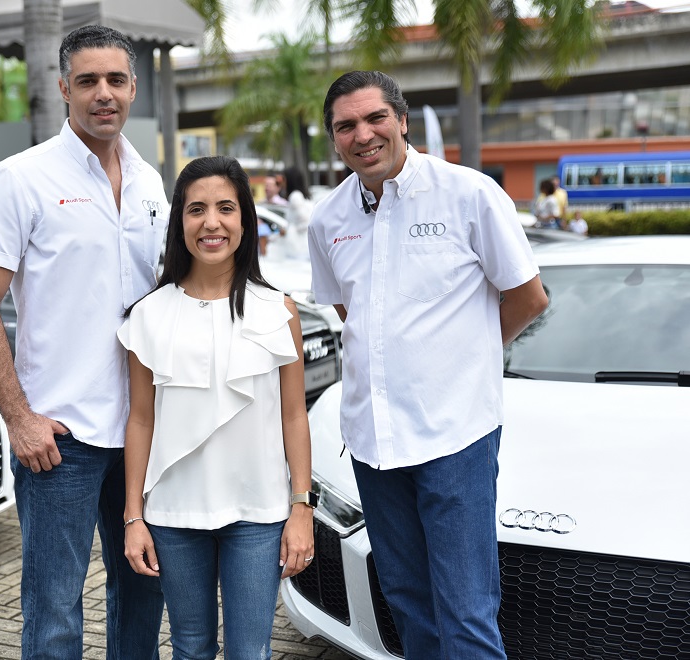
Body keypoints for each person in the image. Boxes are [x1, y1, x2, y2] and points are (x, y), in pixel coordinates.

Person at [307, 71, 548, 660]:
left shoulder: (469, 194)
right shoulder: (327, 221)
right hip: (373, 443)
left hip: (455, 436)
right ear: (334, 139)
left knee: (466, 613)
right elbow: (353, 311)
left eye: (374, 119)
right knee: (409, 600)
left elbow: (528, 297)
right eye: (346, 126)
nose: (362, 135)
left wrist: (465, 357)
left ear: (402, 120)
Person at [0, 25, 167, 660]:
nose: (103, 94)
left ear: (133, 88)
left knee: (142, 596)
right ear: (63, 89)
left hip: (143, 431)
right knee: (53, 613)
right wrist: (20, 419)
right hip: (60, 440)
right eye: (87, 81)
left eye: (115, 80)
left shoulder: (153, 183)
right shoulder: (20, 178)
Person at [119, 155, 314, 659]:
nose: (211, 222)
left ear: (245, 220)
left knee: (251, 653)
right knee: (190, 648)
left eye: (226, 208)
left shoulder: (279, 310)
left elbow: (294, 415)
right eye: (196, 209)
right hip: (174, 512)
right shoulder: (148, 314)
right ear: (178, 222)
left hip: (260, 512)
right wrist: (133, 517)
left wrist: (301, 507)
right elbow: (141, 419)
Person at [282, 166, 314, 259]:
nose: (282, 182)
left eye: (284, 179)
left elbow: (305, 221)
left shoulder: (295, 197)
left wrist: (289, 229)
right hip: (303, 244)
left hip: (298, 246)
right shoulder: (302, 195)